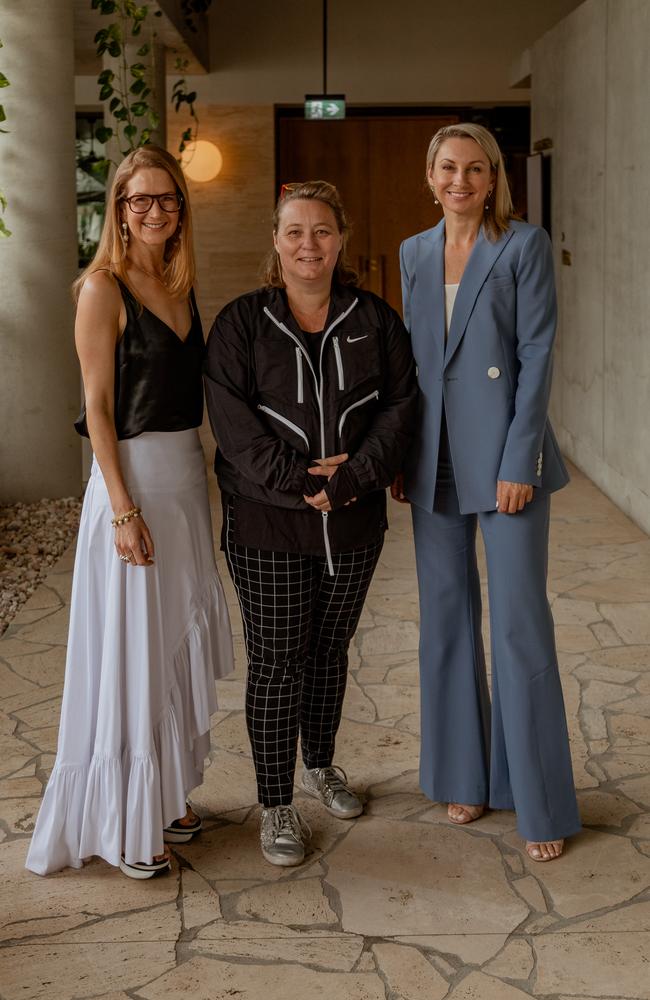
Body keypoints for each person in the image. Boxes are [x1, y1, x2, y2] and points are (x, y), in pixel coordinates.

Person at [26, 146, 234, 879]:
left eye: (167, 199)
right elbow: (99, 410)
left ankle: (168, 794)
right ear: (117, 210)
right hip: (134, 485)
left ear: (181, 208)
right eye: (138, 200)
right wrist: (121, 510)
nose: (154, 211)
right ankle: (125, 821)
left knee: (170, 638)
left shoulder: (180, 282)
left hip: (184, 480)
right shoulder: (102, 288)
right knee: (131, 649)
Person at [204, 180, 418, 866]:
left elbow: (401, 406)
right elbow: (233, 426)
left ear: (341, 240)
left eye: (321, 231)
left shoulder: (374, 317)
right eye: (295, 231)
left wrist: (352, 479)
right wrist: (303, 485)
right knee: (276, 662)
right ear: (275, 241)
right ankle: (275, 804)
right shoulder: (242, 322)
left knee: (329, 652)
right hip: (269, 524)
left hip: (353, 521)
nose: (308, 245)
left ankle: (321, 764)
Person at [395, 123, 581, 862]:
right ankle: (461, 775)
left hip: (507, 459)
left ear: (494, 176)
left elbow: (536, 355)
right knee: (444, 620)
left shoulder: (522, 246)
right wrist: (402, 456)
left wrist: (520, 459)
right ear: (430, 174)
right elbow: (414, 361)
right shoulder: (414, 251)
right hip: (433, 456)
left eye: (475, 169)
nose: (461, 181)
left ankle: (538, 802)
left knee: (518, 624)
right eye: (448, 168)